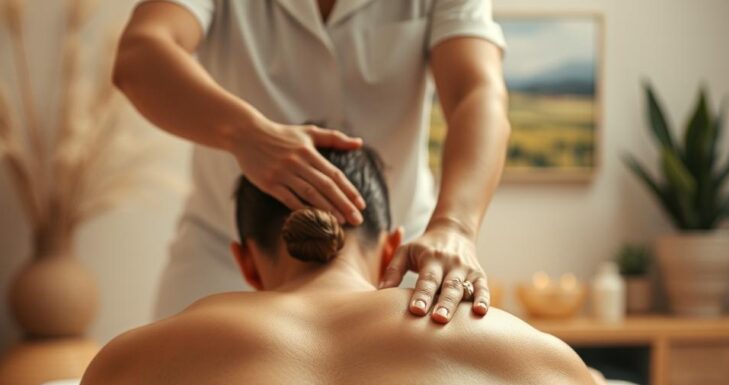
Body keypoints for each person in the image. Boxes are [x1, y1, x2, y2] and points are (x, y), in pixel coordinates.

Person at [64, 147, 648, 385]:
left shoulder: (129, 365)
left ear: (246, 260)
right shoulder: (534, 360)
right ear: (393, 247)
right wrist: (596, 383)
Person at [114, 0, 510, 324]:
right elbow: (140, 54)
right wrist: (245, 133)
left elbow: (477, 94)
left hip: (399, 253)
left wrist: (454, 226)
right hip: (225, 254)